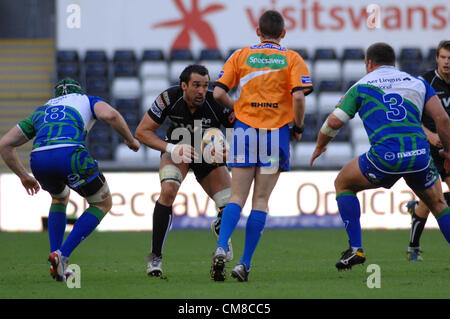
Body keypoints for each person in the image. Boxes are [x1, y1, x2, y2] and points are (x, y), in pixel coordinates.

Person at [310, 42, 450, 271]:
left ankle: (356, 248)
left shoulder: (362, 85)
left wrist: (319, 146)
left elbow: (333, 123)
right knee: (438, 203)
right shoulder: (417, 82)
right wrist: (449, 152)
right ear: (393, 63)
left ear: (369, 63)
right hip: (419, 157)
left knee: (343, 183)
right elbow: (443, 120)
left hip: (385, 159)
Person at [0, 78, 140, 281]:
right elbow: (110, 114)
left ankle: (56, 262)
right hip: (70, 155)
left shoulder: (42, 110)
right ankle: (62, 255)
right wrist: (129, 139)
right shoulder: (87, 100)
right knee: (102, 203)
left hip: (39, 159)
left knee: (59, 197)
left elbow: (5, 144)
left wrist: (23, 176)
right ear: (78, 91)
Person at [210, 10, 312, 282]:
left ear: (258, 31)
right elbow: (299, 97)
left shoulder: (240, 55)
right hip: (274, 133)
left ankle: (221, 246)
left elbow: (218, 92)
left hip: (244, 131)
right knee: (261, 200)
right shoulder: (292, 58)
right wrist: (298, 126)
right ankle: (244, 264)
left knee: (236, 198)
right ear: (283, 33)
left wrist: (240, 110)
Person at [135, 64, 235, 277]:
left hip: (208, 155)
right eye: (196, 85)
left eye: (205, 86)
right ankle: (155, 258)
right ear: (183, 85)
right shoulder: (169, 98)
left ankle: (220, 237)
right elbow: (142, 132)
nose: (201, 91)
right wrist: (172, 148)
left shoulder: (217, 102)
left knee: (228, 205)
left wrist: (230, 150)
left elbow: (242, 129)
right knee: (168, 191)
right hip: (177, 149)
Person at [405, 40, 450, 261]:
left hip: (449, 149)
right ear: (437, 59)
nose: (447, 62)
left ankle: (413, 245)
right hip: (427, 149)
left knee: (432, 200)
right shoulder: (424, 82)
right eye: (443, 57)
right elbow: (409, 114)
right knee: (432, 199)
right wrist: (429, 134)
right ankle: (413, 248)